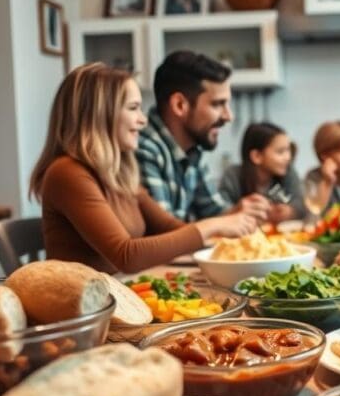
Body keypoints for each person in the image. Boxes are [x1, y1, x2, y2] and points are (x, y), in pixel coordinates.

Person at [29, 63, 256, 274]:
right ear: (100, 115)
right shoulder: (67, 173)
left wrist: (223, 234)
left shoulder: (119, 172)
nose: (143, 120)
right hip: (84, 310)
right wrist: (212, 226)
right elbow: (126, 256)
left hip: (118, 296)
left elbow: (170, 228)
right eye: (133, 108)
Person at [136, 50, 269, 223]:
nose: (229, 116)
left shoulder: (191, 150)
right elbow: (165, 233)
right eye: (217, 104)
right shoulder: (145, 149)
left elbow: (213, 211)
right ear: (179, 105)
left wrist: (241, 210)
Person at [219, 122, 306, 223]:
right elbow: (218, 211)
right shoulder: (232, 176)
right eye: (280, 152)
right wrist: (237, 210)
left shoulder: (288, 171)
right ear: (257, 156)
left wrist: (289, 212)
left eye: (288, 150)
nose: (288, 157)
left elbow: (301, 204)